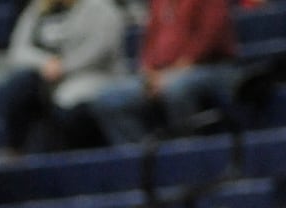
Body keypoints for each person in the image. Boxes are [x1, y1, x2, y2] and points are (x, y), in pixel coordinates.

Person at [87, 0, 239, 146]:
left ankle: (186, 151)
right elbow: (149, 42)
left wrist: (174, 72)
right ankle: (142, 159)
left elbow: (210, 36)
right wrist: (149, 72)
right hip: (163, 74)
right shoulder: (159, 2)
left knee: (176, 88)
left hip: (208, 67)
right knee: (109, 99)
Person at [0, 0, 126, 157]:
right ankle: (14, 151)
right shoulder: (38, 9)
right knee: (19, 84)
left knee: (69, 110)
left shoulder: (101, 7)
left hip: (92, 78)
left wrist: (64, 66)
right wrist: (46, 63)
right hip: (51, 78)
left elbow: (100, 48)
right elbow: (17, 51)